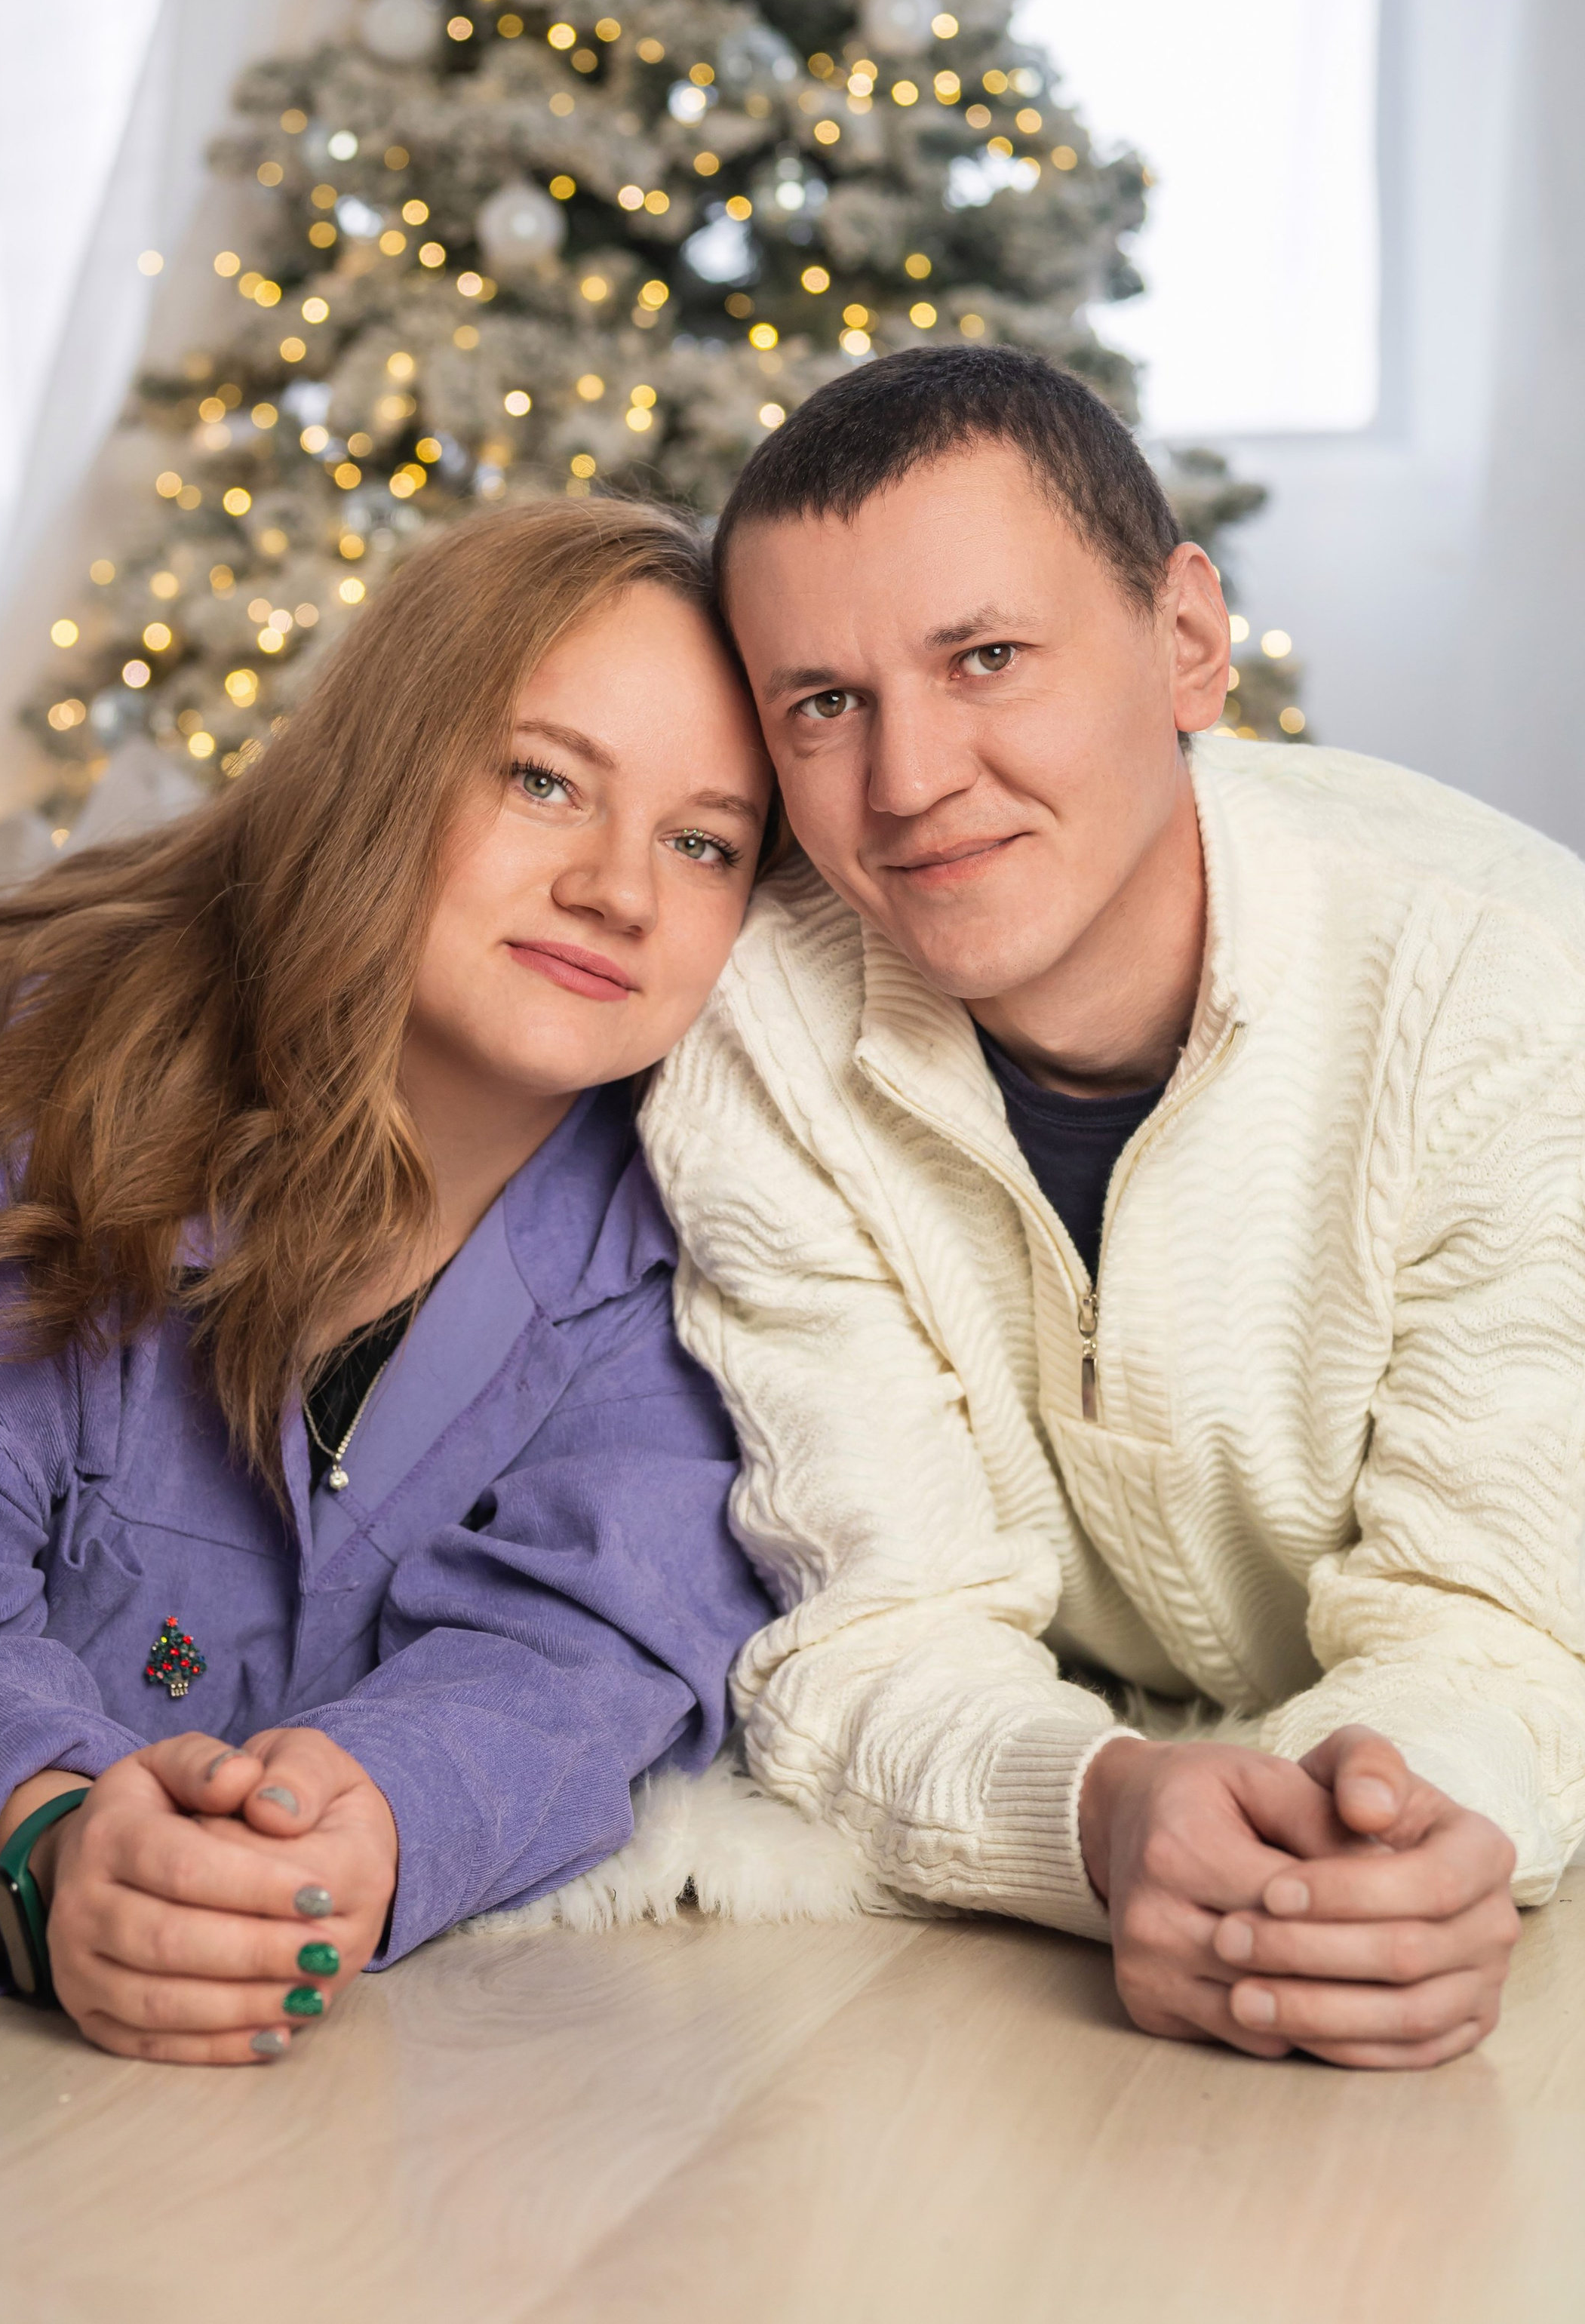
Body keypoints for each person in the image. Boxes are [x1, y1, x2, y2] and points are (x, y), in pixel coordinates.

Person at [0, 498, 776, 2064]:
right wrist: (45, 1852)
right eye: (542, 780)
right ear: (386, 779)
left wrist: (359, 1828)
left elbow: (589, 1645)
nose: (618, 888)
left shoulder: (699, 1233)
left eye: (703, 842)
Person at [644, 344, 1585, 2072]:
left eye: (984, 658)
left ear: (1184, 642)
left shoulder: (1510, 988)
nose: (911, 776)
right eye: (822, 705)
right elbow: (875, 1630)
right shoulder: (752, 1033)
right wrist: (1103, 1813)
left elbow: (1495, 1619)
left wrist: (1374, 1835)